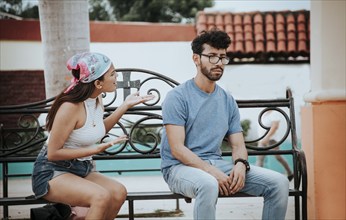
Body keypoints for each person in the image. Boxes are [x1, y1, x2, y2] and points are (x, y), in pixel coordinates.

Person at [160, 30, 289, 220]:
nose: (219, 63)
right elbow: (177, 149)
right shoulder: (177, 97)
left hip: (217, 165)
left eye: (222, 57)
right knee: (208, 183)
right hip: (178, 168)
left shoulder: (227, 100)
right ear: (196, 59)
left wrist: (240, 164)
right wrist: (211, 171)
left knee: (279, 183)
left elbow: (238, 145)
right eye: (212, 56)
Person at [32, 52, 154, 219]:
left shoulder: (96, 99)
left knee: (118, 192)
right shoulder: (71, 107)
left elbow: (97, 129)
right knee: (100, 196)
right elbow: (53, 153)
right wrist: (94, 150)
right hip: (52, 172)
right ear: (97, 83)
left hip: (81, 168)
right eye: (112, 74)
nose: (116, 76)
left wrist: (125, 105)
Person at [256, 110, 294, 181]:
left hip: (271, 140)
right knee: (260, 158)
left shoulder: (274, 113)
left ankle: (290, 172)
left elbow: (275, 126)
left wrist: (267, 137)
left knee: (278, 157)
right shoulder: (264, 113)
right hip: (262, 140)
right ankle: (258, 179)